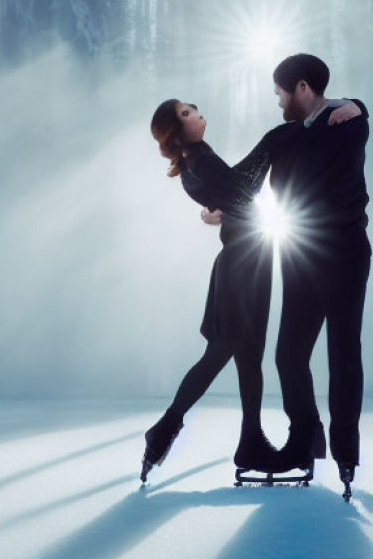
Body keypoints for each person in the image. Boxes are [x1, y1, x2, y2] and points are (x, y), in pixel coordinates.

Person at [142, 99, 291, 482]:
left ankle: (250, 440)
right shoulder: (200, 159)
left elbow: (231, 191)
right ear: (177, 131)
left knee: (247, 353)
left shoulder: (197, 161)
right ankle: (166, 428)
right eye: (186, 112)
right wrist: (272, 142)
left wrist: (216, 209)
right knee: (226, 349)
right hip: (244, 262)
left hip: (246, 259)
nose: (195, 109)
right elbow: (244, 191)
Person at [267, 54, 371, 502]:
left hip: (343, 253)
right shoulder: (298, 133)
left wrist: (358, 105)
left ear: (303, 88)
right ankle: (306, 439)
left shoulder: (345, 124)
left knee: (343, 355)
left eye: (281, 93)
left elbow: (315, 173)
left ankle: (346, 455)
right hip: (300, 253)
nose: (279, 103)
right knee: (289, 354)